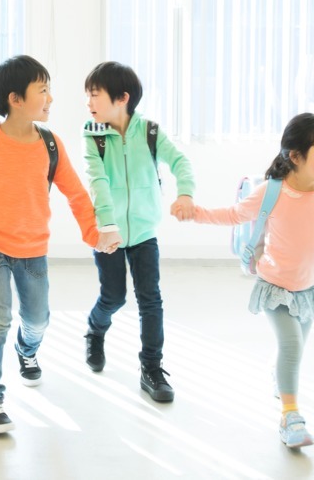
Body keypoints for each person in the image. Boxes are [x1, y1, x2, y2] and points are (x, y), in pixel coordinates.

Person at [0, 55, 122, 435]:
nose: (50, 98)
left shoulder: (50, 144)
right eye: (42, 90)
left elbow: (77, 194)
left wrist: (95, 235)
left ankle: (26, 350)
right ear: (15, 99)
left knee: (38, 318)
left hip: (33, 248)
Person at [179, 114, 314, 447]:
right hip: (276, 288)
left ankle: (279, 376)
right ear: (295, 156)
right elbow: (235, 214)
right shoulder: (273, 191)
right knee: (292, 346)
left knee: (294, 349)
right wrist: (197, 213)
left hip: (309, 289)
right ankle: (290, 417)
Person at [80, 61, 195, 402]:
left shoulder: (150, 132)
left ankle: (152, 368)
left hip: (144, 232)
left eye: (95, 95)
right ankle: (95, 330)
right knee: (113, 297)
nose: (89, 103)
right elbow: (97, 180)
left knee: (150, 300)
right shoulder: (93, 134)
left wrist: (185, 193)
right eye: (88, 95)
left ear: (122, 98)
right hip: (108, 233)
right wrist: (108, 225)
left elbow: (180, 162)